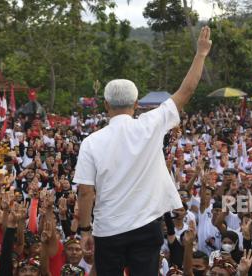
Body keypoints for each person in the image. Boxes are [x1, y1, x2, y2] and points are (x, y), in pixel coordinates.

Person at [75, 27, 213, 275]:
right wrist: (201, 54)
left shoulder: (91, 143)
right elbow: (186, 91)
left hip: (108, 230)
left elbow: (85, 192)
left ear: (105, 105)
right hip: (146, 227)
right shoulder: (151, 124)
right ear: (137, 104)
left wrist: (85, 230)